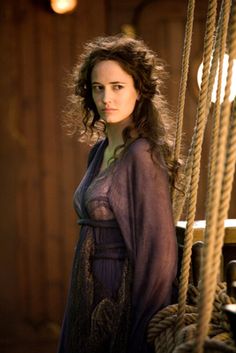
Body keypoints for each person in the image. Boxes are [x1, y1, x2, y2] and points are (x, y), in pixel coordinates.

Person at [58, 34, 181, 353]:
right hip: (88, 289)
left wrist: (141, 333)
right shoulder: (99, 151)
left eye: (117, 86)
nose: (106, 98)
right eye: (98, 87)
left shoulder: (142, 155)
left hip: (119, 297)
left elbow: (159, 255)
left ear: (138, 91)